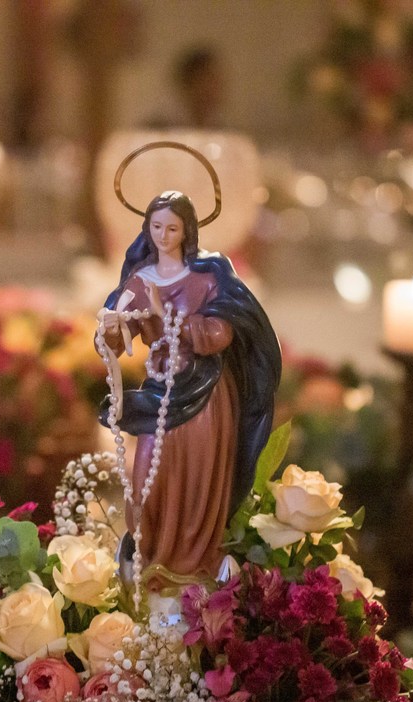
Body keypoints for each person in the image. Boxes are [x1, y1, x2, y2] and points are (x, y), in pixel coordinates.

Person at [99, 191, 280, 582]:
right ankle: (152, 562)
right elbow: (119, 333)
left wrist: (166, 316)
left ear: (187, 231)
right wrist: (112, 329)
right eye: (157, 227)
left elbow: (218, 334)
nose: (163, 236)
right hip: (163, 388)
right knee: (149, 473)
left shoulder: (209, 277)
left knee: (199, 478)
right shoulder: (138, 279)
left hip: (207, 393)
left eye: (172, 228)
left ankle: (194, 569)